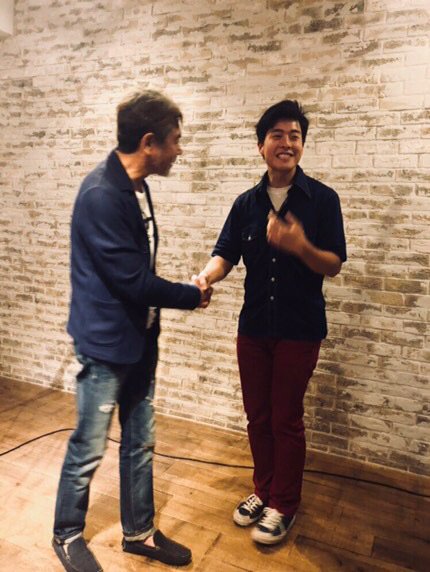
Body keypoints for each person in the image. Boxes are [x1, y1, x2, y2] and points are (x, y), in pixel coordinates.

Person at [53, 90, 211, 571]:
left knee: (140, 442)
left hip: (139, 340)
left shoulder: (136, 186)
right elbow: (132, 280)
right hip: (105, 346)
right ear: (149, 143)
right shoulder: (102, 194)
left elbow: (136, 273)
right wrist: (192, 294)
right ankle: (66, 534)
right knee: (88, 447)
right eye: (175, 140)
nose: (179, 149)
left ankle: (139, 531)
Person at [194, 100, 346, 546]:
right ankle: (263, 491)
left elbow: (334, 264)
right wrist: (205, 277)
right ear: (261, 146)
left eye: (295, 135)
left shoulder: (323, 200)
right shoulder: (246, 204)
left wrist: (300, 246)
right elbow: (225, 253)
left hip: (300, 329)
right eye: (277, 135)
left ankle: (285, 503)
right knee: (258, 417)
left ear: (302, 145)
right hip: (254, 327)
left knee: (286, 419)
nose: (287, 143)